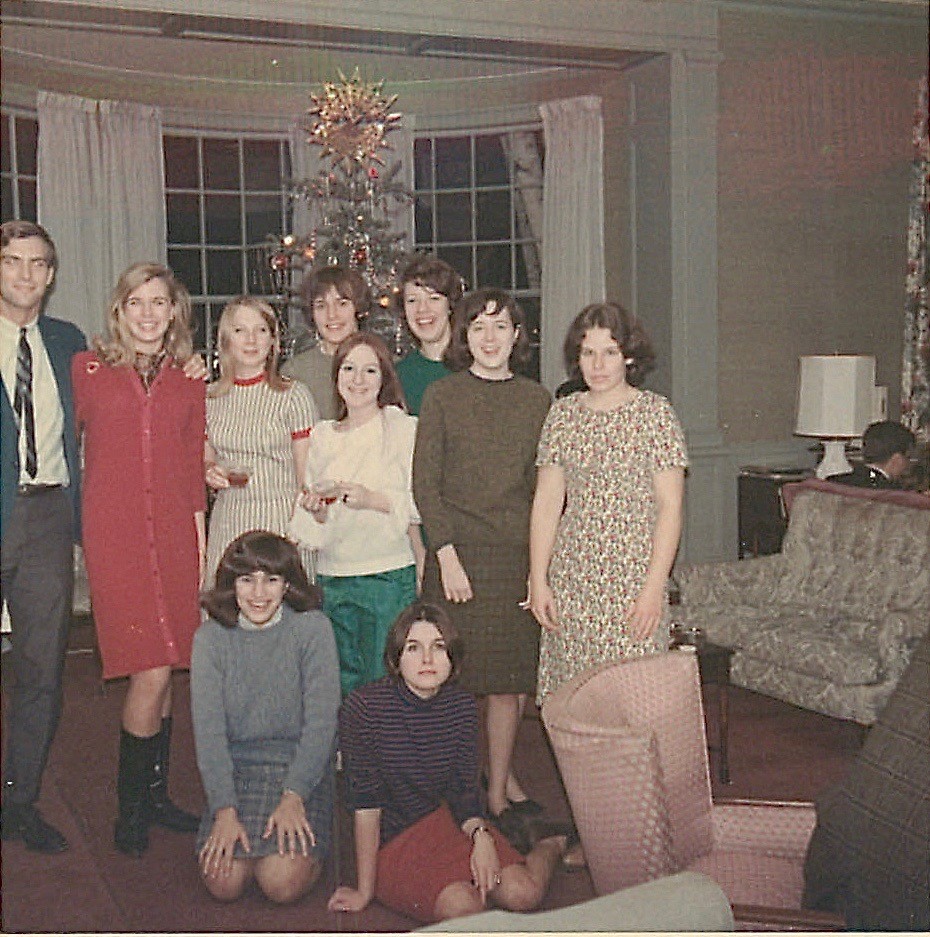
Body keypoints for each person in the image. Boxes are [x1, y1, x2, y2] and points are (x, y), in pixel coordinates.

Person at [328, 602, 575, 924]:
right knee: (463, 907)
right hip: (393, 840)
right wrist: (364, 890)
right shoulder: (364, 708)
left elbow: (463, 790)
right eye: (414, 648)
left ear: (452, 657)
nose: (427, 659)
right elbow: (366, 804)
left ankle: (551, 845)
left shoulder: (461, 705)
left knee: (521, 893)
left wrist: (481, 836)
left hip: (447, 823)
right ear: (396, 657)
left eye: (439, 647)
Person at [73, 261, 206, 857]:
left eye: (160, 303)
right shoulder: (88, 369)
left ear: (174, 312)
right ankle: (131, 806)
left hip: (177, 537)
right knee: (148, 669)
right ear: (119, 311)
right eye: (137, 303)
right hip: (117, 540)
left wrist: (201, 556)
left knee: (171, 663)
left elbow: (192, 473)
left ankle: (156, 796)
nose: (149, 314)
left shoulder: (188, 377)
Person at [413, 288, 551, 848]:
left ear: (518, 337)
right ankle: (447, 788)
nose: (490, 338)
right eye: (478, 328)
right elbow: (426, 484)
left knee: (504, 685)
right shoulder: (444, 397)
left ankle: (496, 791)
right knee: (446, 680)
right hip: (456, 557)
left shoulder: (539, 401)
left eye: (501, 327)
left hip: (513, 560)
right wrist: (446, 555)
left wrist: (538, 567)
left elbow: (546, 490)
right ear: (463, 337)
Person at [529, 302, 688, 703]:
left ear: (629, 356)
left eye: (610, 352)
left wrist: (655, 587)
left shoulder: (656, 414)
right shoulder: (562, 415)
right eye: (588, 353)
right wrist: (538, 579)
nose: (598, 364)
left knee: (634, 701)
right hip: (573, 582)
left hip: (633, 583)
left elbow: (670, 508)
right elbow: (547, 503)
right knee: (576, 706)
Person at [192, 531, 339, 904]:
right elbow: (209, 734)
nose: (259, 594)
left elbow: (322, 725)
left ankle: (318, 844)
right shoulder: (210, 639)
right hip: (239, 771)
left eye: (271, 580)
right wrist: (223, 808)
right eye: (246, 580)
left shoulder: (313, 629)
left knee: (280, 883)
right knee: (223, 883)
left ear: (287, 584)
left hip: (299, 769)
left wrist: (295, 796)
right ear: (231, 584)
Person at [0, 221, 85, 853]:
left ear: (51, 276)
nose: (25, 275)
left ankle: (19, 801)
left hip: (48, 518)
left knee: (40, 669)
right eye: (11, 263)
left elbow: (120, 385)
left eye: (37, 265)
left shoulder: (66, 341)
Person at [290, 332, 423, 696]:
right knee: (342, 682)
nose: (358, 379)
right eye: (349, 368)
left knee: (386, 680)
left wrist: (371, 499)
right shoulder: (321, 436)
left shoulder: (401, 428)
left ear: (384, 379)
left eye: (369, 370)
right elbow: (313, 522)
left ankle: (388, 754)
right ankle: (350, 753)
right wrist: (316, 511)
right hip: (335, 576)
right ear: (336, 376)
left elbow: (417, 503)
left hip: (386, 575)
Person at [204, 296, 317, 584]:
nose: (251, 340)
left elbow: (308, 478)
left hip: (281, 521)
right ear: (226, 340)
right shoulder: (209, 397)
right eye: (240, 330)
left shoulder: (294, 395)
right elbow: (206, 458)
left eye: (261, 330)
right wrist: (210, 471)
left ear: (273, 341)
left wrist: (298, 533)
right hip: (229, 521)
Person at [281, 266, 370, 420]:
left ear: (358, 308)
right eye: (321, 306)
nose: (332, 315)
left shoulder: (382, 364)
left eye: (342, 304)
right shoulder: (295, 371)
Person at [394, 255, 465, 415]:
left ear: (450, 305)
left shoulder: (475, 367)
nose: (422, 309)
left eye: (433, 298)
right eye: (412, 301)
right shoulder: (397, 376)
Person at [827, 420, 915, 490]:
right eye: (908, 458)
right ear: (897, 459)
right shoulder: (895, 496)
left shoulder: (833, 482)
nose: (907, 465)